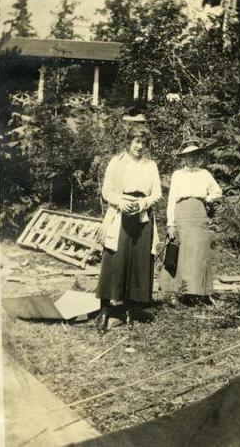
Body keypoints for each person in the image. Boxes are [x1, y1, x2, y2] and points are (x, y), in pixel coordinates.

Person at [96, 125, 162, 333]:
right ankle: (105, 309)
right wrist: (119, 202)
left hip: (142, 215)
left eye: (143, 143)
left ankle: (131, 308)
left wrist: (143, 204)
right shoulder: (116, 162)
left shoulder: (150, 165)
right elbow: (106, 190)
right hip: (120, 212)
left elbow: (157, 193)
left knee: (139, 260)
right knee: (114, 257)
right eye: (136, 141)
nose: (140, 146)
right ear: (128, 142)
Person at [160, 140, 222, 304]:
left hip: (199, 213)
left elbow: (218, 191)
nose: (192, 159)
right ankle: (176, 291)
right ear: (184, 158)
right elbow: (172, 199)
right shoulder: (177, 175)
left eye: (194, 155)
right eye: (188, 156)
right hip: (182, 213)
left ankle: (200, 293)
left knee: (199, 253)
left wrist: (207, 199)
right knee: (181, 252)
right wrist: (170, 223)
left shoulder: (204, 174)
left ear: (199, 156)